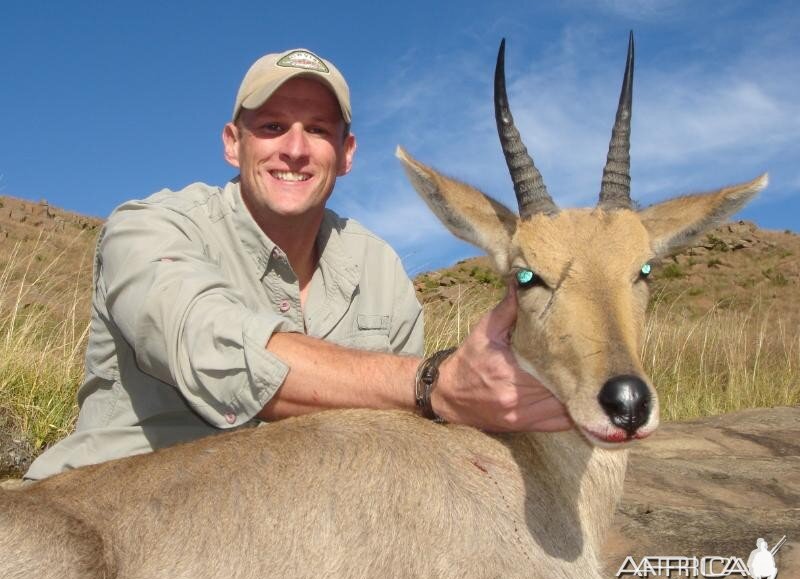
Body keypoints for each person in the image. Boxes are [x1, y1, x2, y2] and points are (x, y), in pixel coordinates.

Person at [25, 48, 570, 481]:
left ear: (347, 152)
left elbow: (398, 434)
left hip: (297, 530)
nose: (295, 148)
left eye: (317, 129)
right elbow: (211, 350)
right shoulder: (149, 228)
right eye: (271, 127)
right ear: (232, 144)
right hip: (107, 514)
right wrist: (436, 385)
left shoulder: (378, 265)